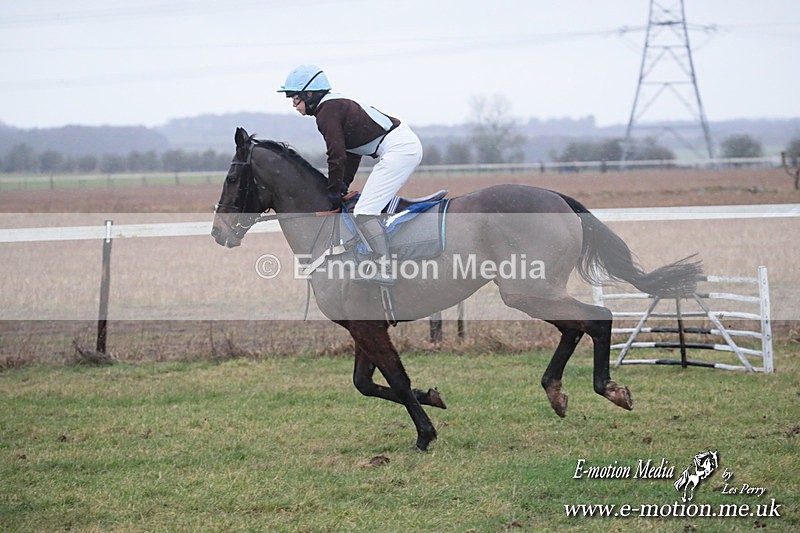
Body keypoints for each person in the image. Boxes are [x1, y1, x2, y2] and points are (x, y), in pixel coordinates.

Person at [278, 64, 423, 284]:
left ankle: (384, 268)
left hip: (399, 149)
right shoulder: (332, 105)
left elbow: (336, 156)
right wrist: (343, 184)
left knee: (364, 211)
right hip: (399, 145)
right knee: (366, 207)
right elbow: (352, 151)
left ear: (309, 94)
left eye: (295, 99)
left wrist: (334, 191)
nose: (294, 105)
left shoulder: (326, 112)